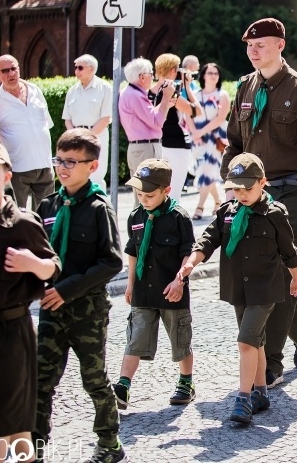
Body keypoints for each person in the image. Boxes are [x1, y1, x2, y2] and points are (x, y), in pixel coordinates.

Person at [222, 18, 297, 388]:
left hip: (295, 193)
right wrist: (230, 186)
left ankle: (270, 362)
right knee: (261, 273)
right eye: (249, 47)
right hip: (253, 194)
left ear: (280, 46)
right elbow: (234, 144)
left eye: (261, 45)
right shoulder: (244, 87)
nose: (253, 52)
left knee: (283, 273)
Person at [179, 153, 297, 424]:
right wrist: (191, 263)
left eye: (248, 188)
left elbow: (288, 250)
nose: (241, 194)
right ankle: (261, 393)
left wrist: (296, 277)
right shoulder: (227, 212)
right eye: (236, 188)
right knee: (255, 341)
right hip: (239, 288)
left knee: (245, 340)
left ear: (263, 182)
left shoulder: (274, 214)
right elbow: (208, 239)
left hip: (265, 290)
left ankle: (243, 399)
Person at [0, 139, 61, 463]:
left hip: (11, 335)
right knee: (15, 432)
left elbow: (53, 268)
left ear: (7, 176)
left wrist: (32, 263)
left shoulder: (23, 222)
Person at [34, 129, 125, 462]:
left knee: (94, 380)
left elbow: (112, 261)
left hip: (87, 310)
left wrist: (66, 289)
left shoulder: (99, 208)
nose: (63, 168)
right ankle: (34, 449)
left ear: (92, 165)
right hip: (51, 310)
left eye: (72, 162)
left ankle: (110, 445)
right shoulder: (48, 205)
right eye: (60, 160)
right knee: (40, 382)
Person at [112, 158, 196, 410]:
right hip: (143, 289)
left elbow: (187, 252)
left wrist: (179, 280)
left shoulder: (179, 218)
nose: (143, 199)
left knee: (180, 338)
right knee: (135, 337)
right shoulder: (136, 216)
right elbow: (133, 251)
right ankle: (123, 385)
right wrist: (130, 284)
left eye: (149, 195)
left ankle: (186, 382)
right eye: (139, 194)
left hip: (171, 289)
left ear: (166, 191)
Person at [0, 55, 54, 210]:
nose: (11, 73)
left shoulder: (35, 90)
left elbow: (46, 124)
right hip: (17, 169)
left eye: (13, 68)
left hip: (45, 165)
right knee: (18, 217)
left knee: (48, 216)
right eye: (5, 71)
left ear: (19, 69)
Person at [118, 57, 173, 184]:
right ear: (142, 77)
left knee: (145, 194)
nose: (153, 77)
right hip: (145, 149)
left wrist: (166, 104)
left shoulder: (130, 92)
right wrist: (166, 97)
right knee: (148, 195)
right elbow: (156, 122)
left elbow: (149, 116)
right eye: (151, 73)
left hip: (142, 148)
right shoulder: (136, 95)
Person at [62, 54, 112, 191]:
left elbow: (105, 119)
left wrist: (86, 137)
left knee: (95, 177)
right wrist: (75, 137)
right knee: (76, 177)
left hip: (97, 138)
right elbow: (67, 119)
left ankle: (99, 210)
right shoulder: (72, 91)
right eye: (75, 68)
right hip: (75, 139)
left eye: (80, 68)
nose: (76, 71)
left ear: (92, 69)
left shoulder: (105, 88)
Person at [156, 53, 202, 200]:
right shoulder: (170, 91)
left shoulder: (153, 90)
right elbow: (197, 111)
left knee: (160, 192)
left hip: (159, 143)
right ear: (171, 71)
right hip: (177, 145)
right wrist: (188, 87)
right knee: (174, 194)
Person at [191, 62, 230, 220]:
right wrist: (195, 133)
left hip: (215, 138)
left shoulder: (223, 95)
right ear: (203, 75)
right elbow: (188, 113)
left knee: (207, 170)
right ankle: (218, 201)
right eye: (210, 73)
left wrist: (201, 131)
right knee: (204, 171)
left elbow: (221, 118)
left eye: (216, 73)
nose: (213, 75)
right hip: (198, 138)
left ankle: (199, 207)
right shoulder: (196, 95)